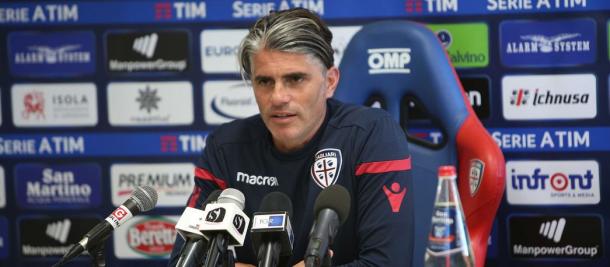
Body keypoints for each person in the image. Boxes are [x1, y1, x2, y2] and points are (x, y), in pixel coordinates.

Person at [168, 8, 413, 267]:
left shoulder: (371, 135)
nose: (278, 97)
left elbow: (390, 262)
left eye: (295, 79)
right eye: (264, 82)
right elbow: (183, 261)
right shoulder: (225, 147)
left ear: (330, 81)